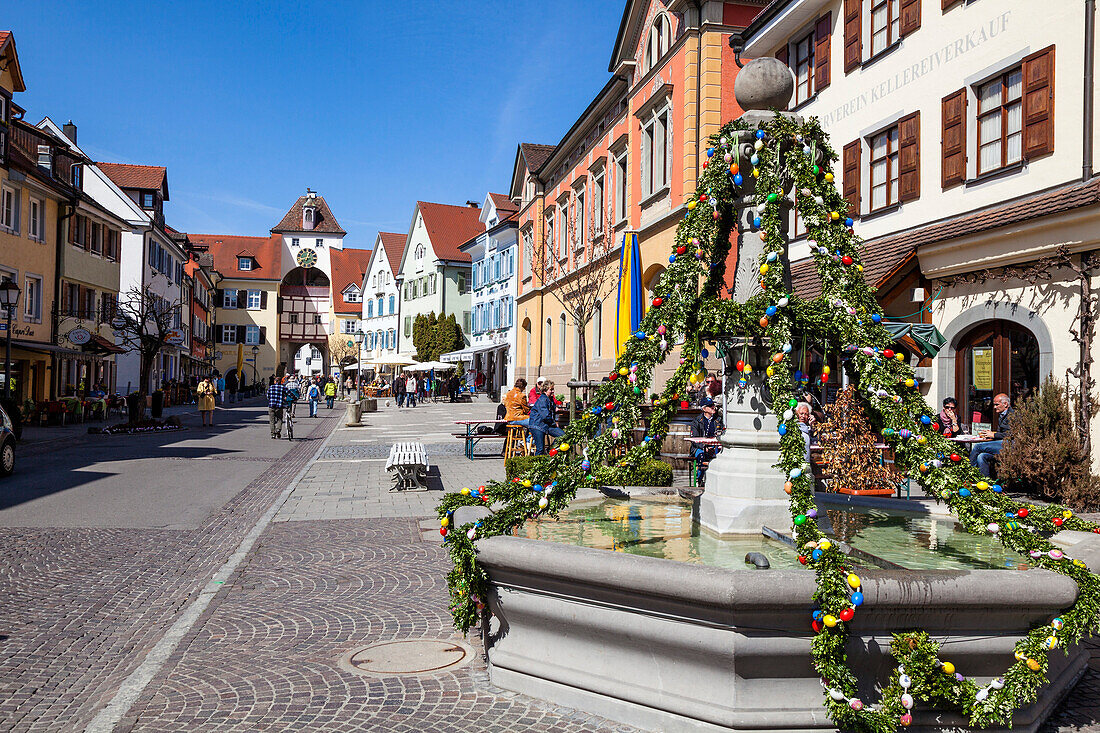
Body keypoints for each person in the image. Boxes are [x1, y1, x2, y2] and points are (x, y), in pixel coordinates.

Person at [970, 393, 1013, 478]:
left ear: (1005, 404)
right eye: (994, 404)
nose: (994, 407)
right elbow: (1000, 433)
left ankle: (970, 474)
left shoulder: (1013, 415)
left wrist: (993, 434)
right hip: (1002, 444)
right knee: (981, 456)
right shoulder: (1002, 415)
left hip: (1010, 445)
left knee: (978, 447)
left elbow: (1011, 434)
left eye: (997, 404)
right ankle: (986, 482)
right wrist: (990, 435)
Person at [690, 397, 724, 484]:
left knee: (720, 456)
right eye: (710, 406)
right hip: (699, 447)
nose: (713, 407)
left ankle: (716, 481)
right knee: (701, 455)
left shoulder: (718, 420)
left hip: (714, 446)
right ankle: (699, 480)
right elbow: (694, 439)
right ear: (704, 409)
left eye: (713, 405)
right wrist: (705, 447)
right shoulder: (697, 421)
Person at [528, 380, 565, 455]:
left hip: (546, 425)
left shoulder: (550, 399)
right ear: (545, 390)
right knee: (540, 449)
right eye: (551, 390)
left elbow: (551, 413)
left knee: (563, 436)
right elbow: (545, 415)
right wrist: (554, 423)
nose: (553, 391)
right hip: (537, 425)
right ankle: (537, 465)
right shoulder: (542, 399)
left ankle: (550, 450)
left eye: (553, 389)